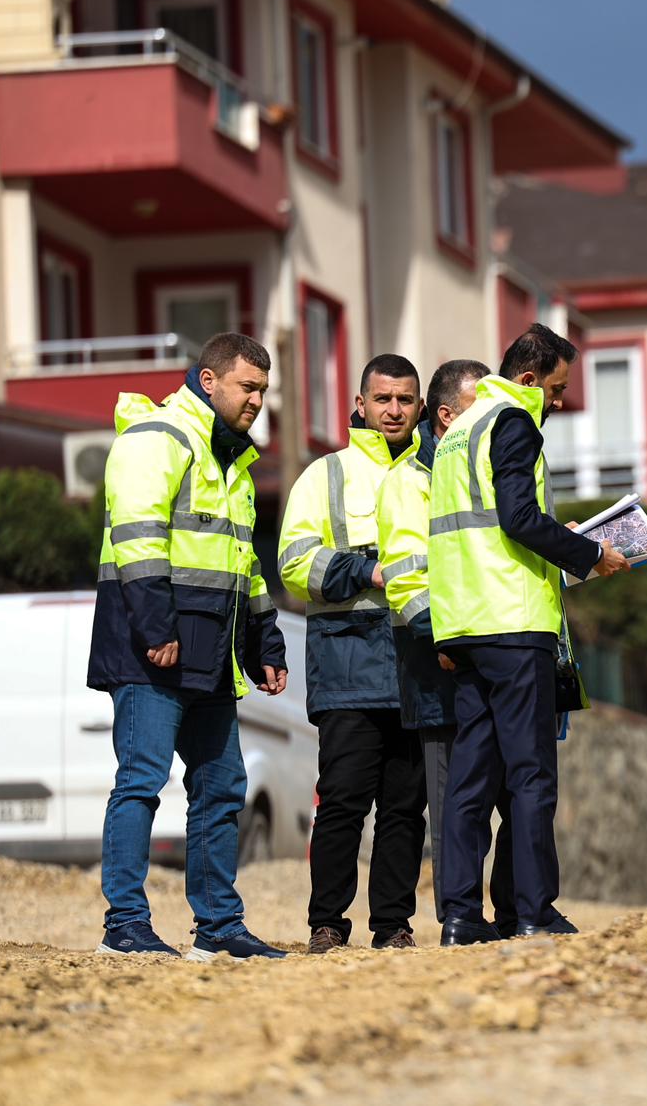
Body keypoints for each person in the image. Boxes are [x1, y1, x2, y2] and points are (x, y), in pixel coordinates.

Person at [88, 332, 288, 960]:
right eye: (246, 386)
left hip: (209, 656)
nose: (257, 399)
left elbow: (245, 569)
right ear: (208, 381)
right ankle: (124, 925)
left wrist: (266, 644)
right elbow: (138, 538)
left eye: (262, 387)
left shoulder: (234, 465)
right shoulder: (157, 438)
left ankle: (219, 928)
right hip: (153, 651)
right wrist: (157, 631)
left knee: (222, 785)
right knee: (142, 781)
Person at [430, 324, 631, 946]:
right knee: (530, 775)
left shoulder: (455, 432)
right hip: (514, 622)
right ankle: (532, 910)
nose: (560, 401)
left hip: (465, 624)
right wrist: (587, 553)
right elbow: (517, 520)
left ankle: (460, 917)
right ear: (526, 378)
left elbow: (486, 523)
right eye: (557, 387)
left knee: (469, 780)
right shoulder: (513, 421)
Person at [280, 353, 425, 951]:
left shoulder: (436, 474)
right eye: (383, 399)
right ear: (360, 404)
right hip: (347, 667)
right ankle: (326, 924)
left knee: (404, 808)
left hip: (419, 667)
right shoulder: (325, 475)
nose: (394, 410)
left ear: (420, 407)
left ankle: (393, 924)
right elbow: (293, 561)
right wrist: (367, 572)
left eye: (405, 399)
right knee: (342, 801)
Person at [376, 358, 519, 937]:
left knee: (514, 792)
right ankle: (457, 915)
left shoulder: (490, 468)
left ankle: (512, 910)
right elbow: (408, 577)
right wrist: (442, 638)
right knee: (455, 799)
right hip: (441, 665)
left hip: (494, 654)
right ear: (446, 416)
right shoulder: (409, 481)